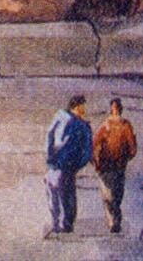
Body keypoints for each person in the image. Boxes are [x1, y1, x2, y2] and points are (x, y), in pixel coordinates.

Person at [45, 94, 93, 235]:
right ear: (77, 106)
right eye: (83, 106)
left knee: (53, 195)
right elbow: (87, 151)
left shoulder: (59, 117)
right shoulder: (82, 125)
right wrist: (78, 165)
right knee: (67, 196)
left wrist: (50, 158)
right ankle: (65, 226)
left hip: (53, 165)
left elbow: (49, 136)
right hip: (67, 167)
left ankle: (56, 224)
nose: (84, 109)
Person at [93, 97, 138, 234]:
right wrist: (95, 162)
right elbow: (132, 149)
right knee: (113, 196)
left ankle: (114, 222)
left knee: (112, 196)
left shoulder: (116, 125)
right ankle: (114, 222)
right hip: (111, 164)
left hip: (112, 164)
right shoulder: (118, 125)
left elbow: (132, 148)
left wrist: (95, 162)